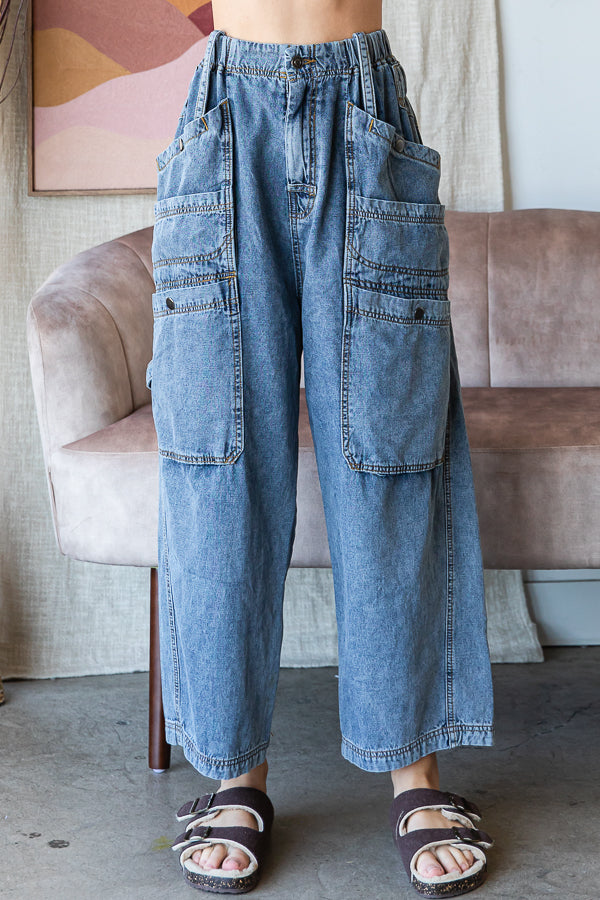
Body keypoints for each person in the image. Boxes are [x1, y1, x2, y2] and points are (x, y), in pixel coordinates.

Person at [148, 0, 495, 895]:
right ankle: (236, 777)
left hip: (363, 104)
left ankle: (414, 772)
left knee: (391, 458)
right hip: (226, 111)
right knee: (219, 466)